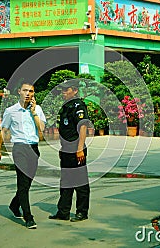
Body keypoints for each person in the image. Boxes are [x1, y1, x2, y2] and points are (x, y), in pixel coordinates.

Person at [0, 82, 45, 229]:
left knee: (27, 182)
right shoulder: (11, 111)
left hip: (34, 148)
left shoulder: (38, 109)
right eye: (25, 91)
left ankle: (14, 204)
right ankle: (28, 217)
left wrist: (34, 112)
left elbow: (41, 129)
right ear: (19, 92)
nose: (28, 94)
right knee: (22, 182)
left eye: (31, 91)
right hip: (19, 149)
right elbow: (4, 131)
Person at [49, 79, 91, 222]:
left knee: (80, 183)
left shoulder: (78, 106)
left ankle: (82, 212)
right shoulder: (66, 106)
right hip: (66, 150)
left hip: (76, 150)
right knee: (65, 182)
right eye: (62, 90)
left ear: (75, 91)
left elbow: (83, 127)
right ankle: (63, 211)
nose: (63, 93)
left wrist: (80, 149)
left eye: (66, 90)